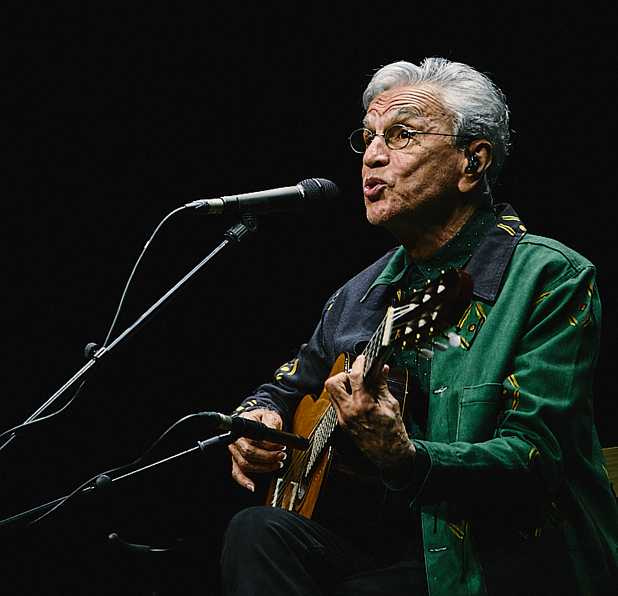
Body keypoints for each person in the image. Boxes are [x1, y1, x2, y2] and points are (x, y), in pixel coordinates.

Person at [220, 58, 618, 595]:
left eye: (401, 135)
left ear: (472, 163)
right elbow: (285, 386)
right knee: (255, 530)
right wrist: (257, 422)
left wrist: (406, 459)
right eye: (367, 138)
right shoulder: (357, 296)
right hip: (388, 551)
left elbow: (535, 456)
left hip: (496, 561)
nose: (373, 157)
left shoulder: (550, 277)